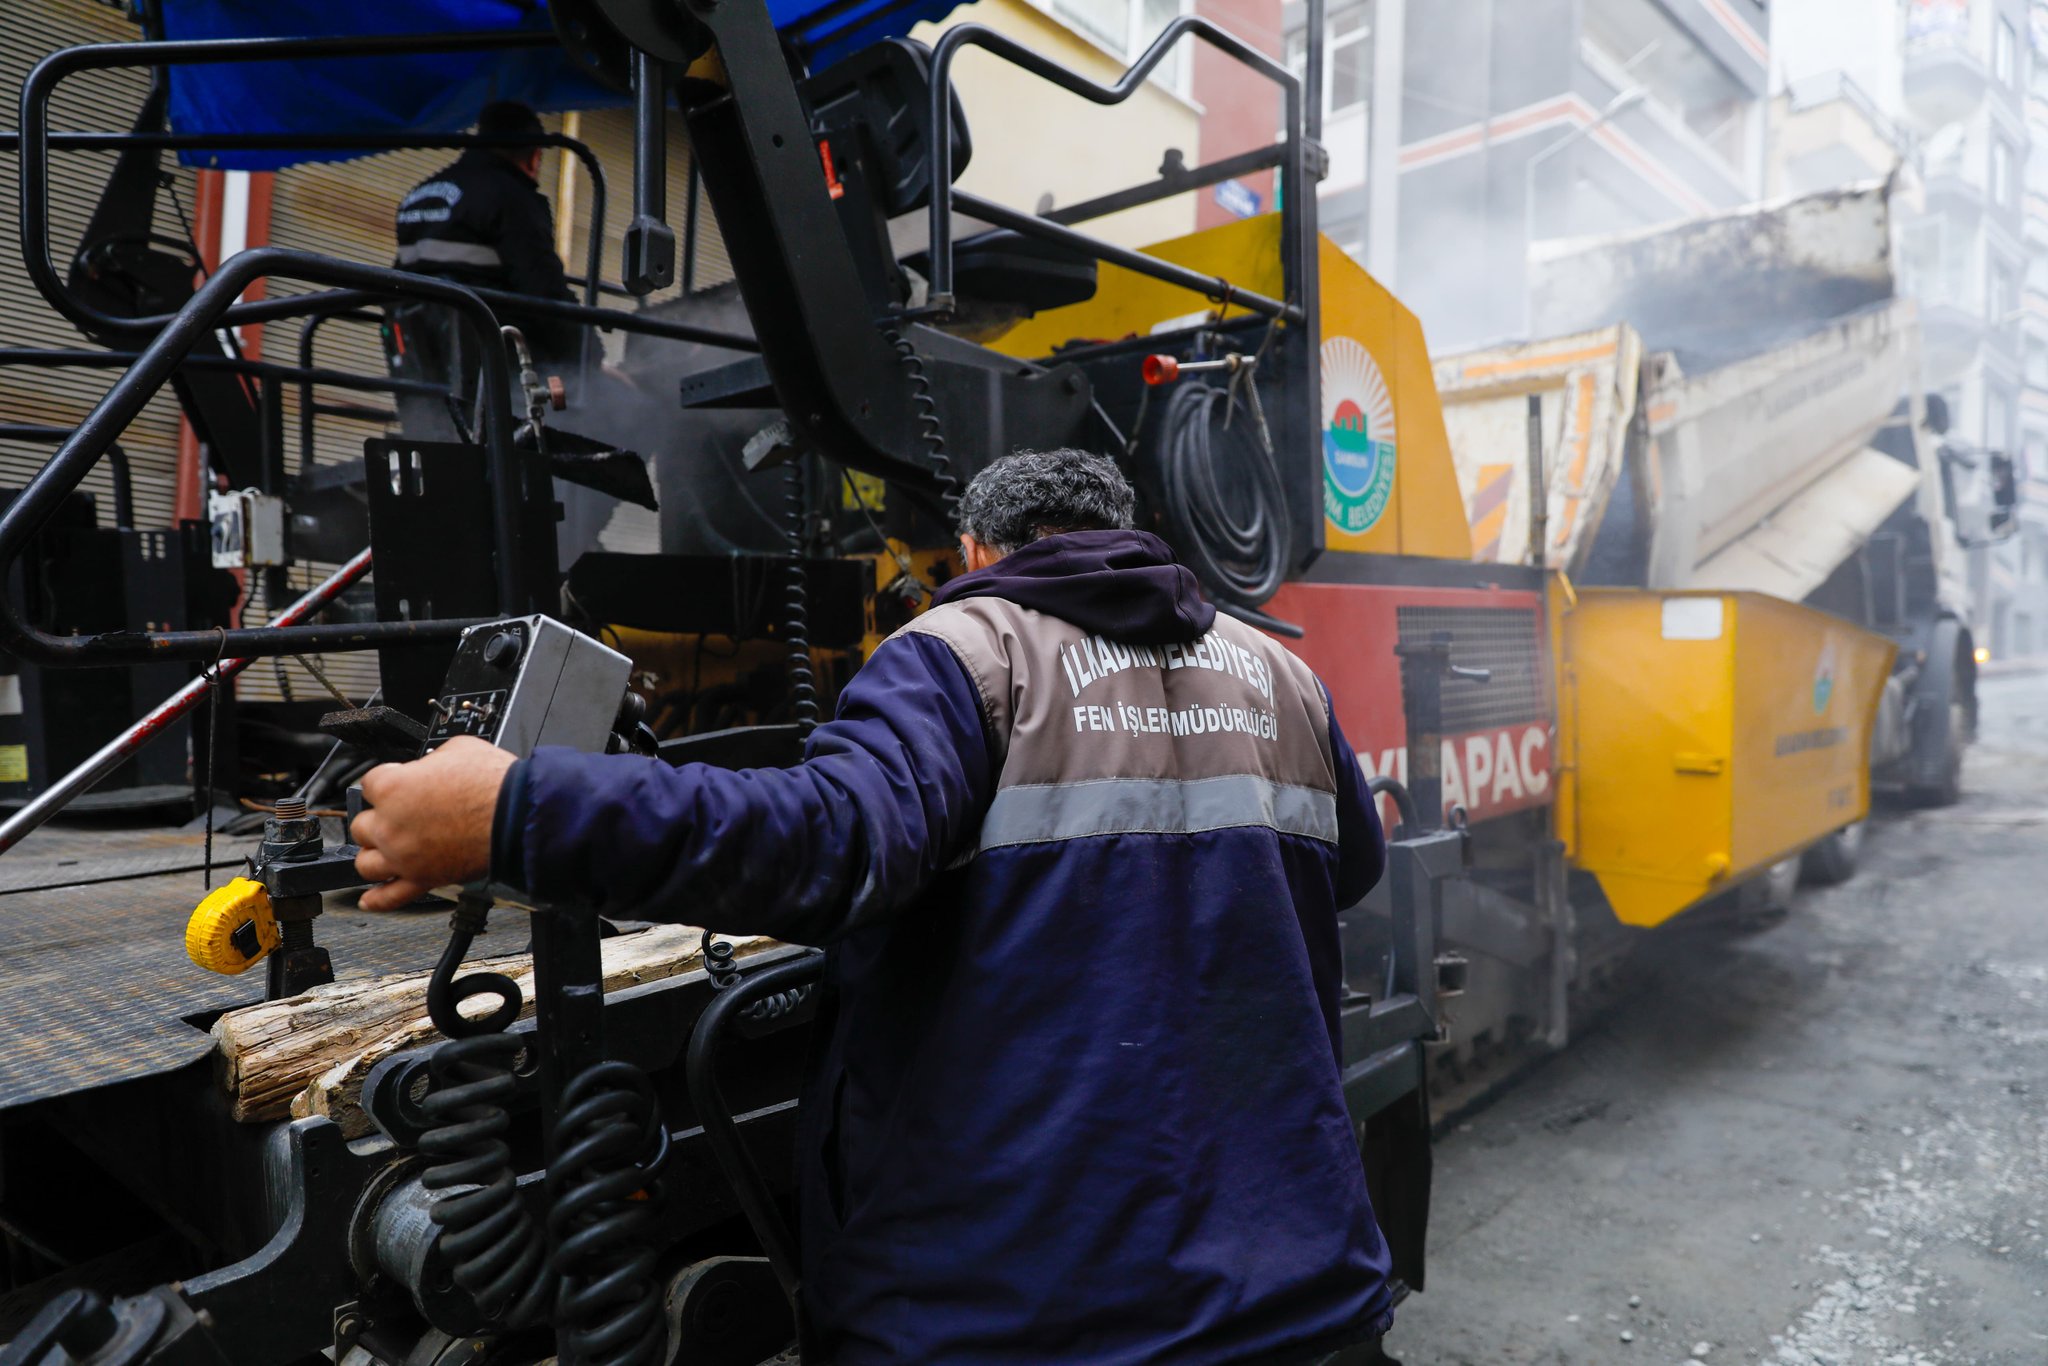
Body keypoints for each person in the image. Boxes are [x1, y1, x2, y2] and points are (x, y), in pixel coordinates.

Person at [351, 449, 1400, 1364]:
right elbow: (1346, 868)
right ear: (1129, 531)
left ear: (975, 549)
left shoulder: (966, 654)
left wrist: (514, 810)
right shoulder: (1281, 675)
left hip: (1023, 1320)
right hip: (1298, 1292)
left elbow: (831, 844)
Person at [391, 99, 581, 365]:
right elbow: (544, 289)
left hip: (421, 362)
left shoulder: (418, 196)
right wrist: (589, 360)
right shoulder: (510, 196)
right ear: (535, 157)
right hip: (492, 361)